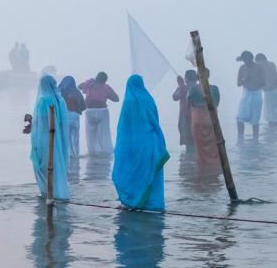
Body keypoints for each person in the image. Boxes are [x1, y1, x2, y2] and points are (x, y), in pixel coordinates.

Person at [113, 75, 168, 210]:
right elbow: (154, 121)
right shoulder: (149, 99)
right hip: (150, 142)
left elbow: (124, 126)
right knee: (150, 174)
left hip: (132, 144)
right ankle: (152, 204)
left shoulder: (129, 101)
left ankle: (132, 202)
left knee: (131, 172)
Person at [22, 75, 70, 200]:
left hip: (45, 140)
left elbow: (43, 122)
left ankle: (47, 193)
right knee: (56, 166)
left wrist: (31, 120)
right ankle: (57, 192)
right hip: (59, 141)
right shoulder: (60, 100)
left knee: (42, 167)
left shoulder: (43, 100)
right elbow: (58, 122)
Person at [78, 72, 120, 155]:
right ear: (105, 80)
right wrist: (106, 95)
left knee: (90, 134)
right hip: (102, 111)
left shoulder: (90, 85)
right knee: (104, 133)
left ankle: (92, 152)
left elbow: (79, 86)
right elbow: (116, 99)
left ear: (96, 77)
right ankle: (106, 151)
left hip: (90, 111)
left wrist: (88, 82)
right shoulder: (106, 87)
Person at [188, 74, 222, 166]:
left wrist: (202, 105)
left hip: (200, 120)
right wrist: (206, 104)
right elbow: (216, 103)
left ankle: (204, 169)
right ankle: (212, 169)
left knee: (200, 147)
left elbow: (191, 103)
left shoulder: (193, 89)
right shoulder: (214, 88)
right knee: (214, 146)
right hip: (210, 120)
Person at [235, 50, 265, 139]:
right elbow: (238, 83)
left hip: (257, 94)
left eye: (247, 60)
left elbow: (264, 82)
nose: (246, 62)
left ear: (251, 58)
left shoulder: (259, 68)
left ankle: (255, 140)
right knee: (240, 117)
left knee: (255, 119)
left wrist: (255, 78)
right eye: (244, 60)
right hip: (246, 93)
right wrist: (245, 78)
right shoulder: (242, 68)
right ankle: (240, 138)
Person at [58, 75, 86, 159]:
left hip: (64, 116)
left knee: (65, 137)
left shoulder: (60, 92)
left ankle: (67, 155)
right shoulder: (77, 92)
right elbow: (83, 106)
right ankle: (76, 156)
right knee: (75, 138)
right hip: (75, 116)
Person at [172, 69, 199, 152]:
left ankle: (189, 163)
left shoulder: (184, 88)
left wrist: (180, 85)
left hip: (186, 117)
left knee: (189, 144)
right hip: (199, 117)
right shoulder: (199, 87)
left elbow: (175, 97)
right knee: (198, 142)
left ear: (186, 78)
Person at [256, 53, 277, 127]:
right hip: (275, 91)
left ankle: (272, 131)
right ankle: (273, 132)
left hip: (270, 91)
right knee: (273, 113)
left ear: (261, 60)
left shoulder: (265, 66)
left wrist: (264, 87)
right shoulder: (271, 64)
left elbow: (270, 80)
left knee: (271, 114)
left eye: (258, 62)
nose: (258, 64)